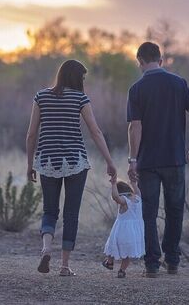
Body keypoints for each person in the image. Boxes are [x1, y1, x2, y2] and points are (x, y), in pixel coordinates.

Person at [26, 59, 117, 276]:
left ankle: (46, 248)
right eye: (83, 77)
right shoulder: (80, 98)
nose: (84, 81)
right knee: (71, 214)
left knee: (49, 210)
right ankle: (65, 266)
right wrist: (109, 161)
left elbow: (31, 134)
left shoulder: (41, 96)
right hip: (75, 161)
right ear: (76, 77)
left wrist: (30, 164)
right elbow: (95, 132)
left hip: (47, 160)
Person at [126, 42, 189, 278]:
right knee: (175, 210)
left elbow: (134, 127)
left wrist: (132, 159)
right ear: (161, 60)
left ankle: (151, 265)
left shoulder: (136, 89)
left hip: (148, 162)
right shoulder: (179, 83)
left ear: (140, 61)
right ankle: (172, 261)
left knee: (148, 213)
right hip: (175, 159)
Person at [102, 178, 145, 278]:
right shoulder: (138, 198)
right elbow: (137, 190)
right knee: (127, 253)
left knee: (112, 245)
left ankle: (110, 262)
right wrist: (133, 183)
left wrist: (113, 184)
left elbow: (115, 197)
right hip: (135, 232)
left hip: (122, 230)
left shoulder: (124, 201)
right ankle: (122, 270)